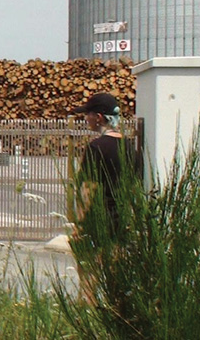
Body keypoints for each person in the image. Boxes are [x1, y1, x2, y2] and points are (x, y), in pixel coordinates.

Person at [71, 92, 136, 302]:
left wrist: (80, 226)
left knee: (89, 282)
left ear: (98, 117)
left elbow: (87, 191)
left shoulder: (96, 148)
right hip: (122, 222)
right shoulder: (131, 148)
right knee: (115, 285)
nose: (86, 119)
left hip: (97, 224)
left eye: (88, 114)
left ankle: (86, 324)